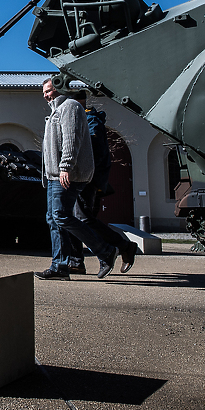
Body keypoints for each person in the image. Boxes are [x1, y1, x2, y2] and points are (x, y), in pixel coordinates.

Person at [35, 78, 119, 281]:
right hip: (54, 175)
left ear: (60, 89)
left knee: (61, 215)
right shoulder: (55, 111)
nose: (47, 95)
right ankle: (60, 266)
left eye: (49, 90)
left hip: (68, 174)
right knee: (53, 219)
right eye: (44, 92)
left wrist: (66, 168)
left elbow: (71, 140)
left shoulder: (69, 107)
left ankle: (106, 251)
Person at [68, 90, 137, 275]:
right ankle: (76, 261)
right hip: (80, 177)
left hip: (85, 179)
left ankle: (122, 246)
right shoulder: (83, 118)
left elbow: (95, 152)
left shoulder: (90, 119)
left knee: (82, 218)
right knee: (70, 217)